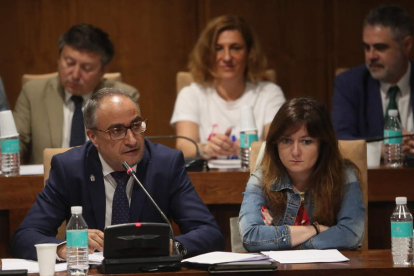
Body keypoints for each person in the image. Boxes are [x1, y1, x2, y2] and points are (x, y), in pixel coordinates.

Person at [11, 88, 225, 260]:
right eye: (117, 131)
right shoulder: (70, 168)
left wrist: (172, 246)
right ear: (93, 136)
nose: (132, 139)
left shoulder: (165, 164)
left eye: (136, 125)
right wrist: (64, 247)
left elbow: (210, 233)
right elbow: (24, 237)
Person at [238, 98, 365, 251]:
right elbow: (251, 237)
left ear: (322, 145)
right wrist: (315, 230)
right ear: (275, 144)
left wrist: (288, 242)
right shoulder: (262, 178)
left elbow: (350, 234)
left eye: (306, 141)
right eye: (286, 140)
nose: (296, 152)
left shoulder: (343, 174)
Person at [13, 23, 139, 164]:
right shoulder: (33, 93)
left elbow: (129, 147)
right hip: (47, 181)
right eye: (69, 62)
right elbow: (16, 142)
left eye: (86, 68)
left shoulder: (124, 98)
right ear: (59, 58)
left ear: (103, 70)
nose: (75, 74)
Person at [170, 15, 285, 159]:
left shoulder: (269, 93)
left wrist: (250, 147)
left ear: (250, 52)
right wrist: (208, 148)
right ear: (207, 53)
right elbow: (183, 147)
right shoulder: (191, 94)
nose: (227, 57)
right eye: (218, 48)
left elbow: (277, 144)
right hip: (207, 178)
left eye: (235, 48)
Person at [332, 5, 414, 154]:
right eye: (366, 47)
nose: (371, 56)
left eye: (380, 47)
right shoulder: (349, 84)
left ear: (407, 46)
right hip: (371, 177)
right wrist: (382, 150)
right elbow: (341, 141)